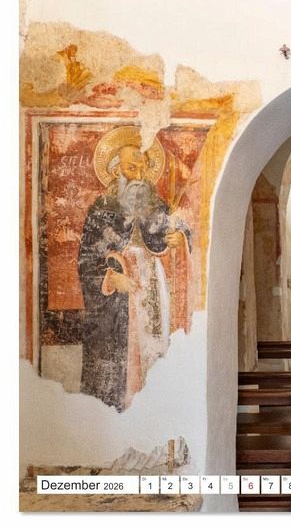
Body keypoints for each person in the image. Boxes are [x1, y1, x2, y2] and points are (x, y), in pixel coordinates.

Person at [79, 143, 191, 411]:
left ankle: (156, 406)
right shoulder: (102, 208)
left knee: (154, 343)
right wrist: (110, 278)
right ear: (115, 170)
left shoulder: (155, 204)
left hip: (152, 284)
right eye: (132, 168)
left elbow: (179, 228)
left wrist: (180, 237)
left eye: (143, 168)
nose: (139, 175)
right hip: (119, 292)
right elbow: (85, 259)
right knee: (121, 353)